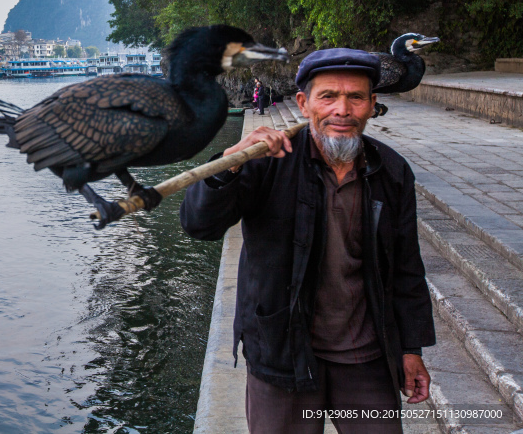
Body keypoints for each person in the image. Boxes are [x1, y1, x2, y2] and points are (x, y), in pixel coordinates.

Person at [180, 49, 435, 434]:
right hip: (282, 355)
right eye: (328, 96)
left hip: (366, 357)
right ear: (304, 103)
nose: (342, 110)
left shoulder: (391, 170)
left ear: (372, 106)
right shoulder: (268, 160)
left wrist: (410, 349)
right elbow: (199, 225)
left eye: (356, 97)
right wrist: (232, 161)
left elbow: (406, 267)